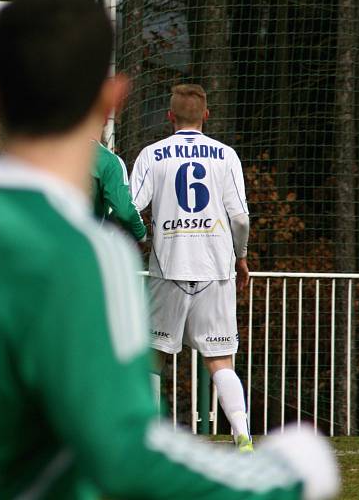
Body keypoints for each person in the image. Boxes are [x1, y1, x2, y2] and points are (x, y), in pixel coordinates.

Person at [0, 0, 339, 500]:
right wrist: (288, 473)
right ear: (111, 98)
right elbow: (128, 452)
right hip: (207, 260)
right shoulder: (91, 254)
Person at [129, 84, 253, 450]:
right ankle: (243, 434)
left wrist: (139, 238)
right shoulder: (225, 155)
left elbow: (132, 207)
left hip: (168, 266)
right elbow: (241, 218)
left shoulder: (153, 155)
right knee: (220, 358)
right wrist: (240, 255)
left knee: (154, 356)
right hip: (215, 267)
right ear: (206, 116)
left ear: (170, 117)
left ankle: (149, 440)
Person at [91, 139, 146, 242]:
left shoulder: (52, 150)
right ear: (105, 121)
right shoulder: (108, 161)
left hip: (52, 242)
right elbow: (123, 210)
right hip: (87, 247)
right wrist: (140, 233)